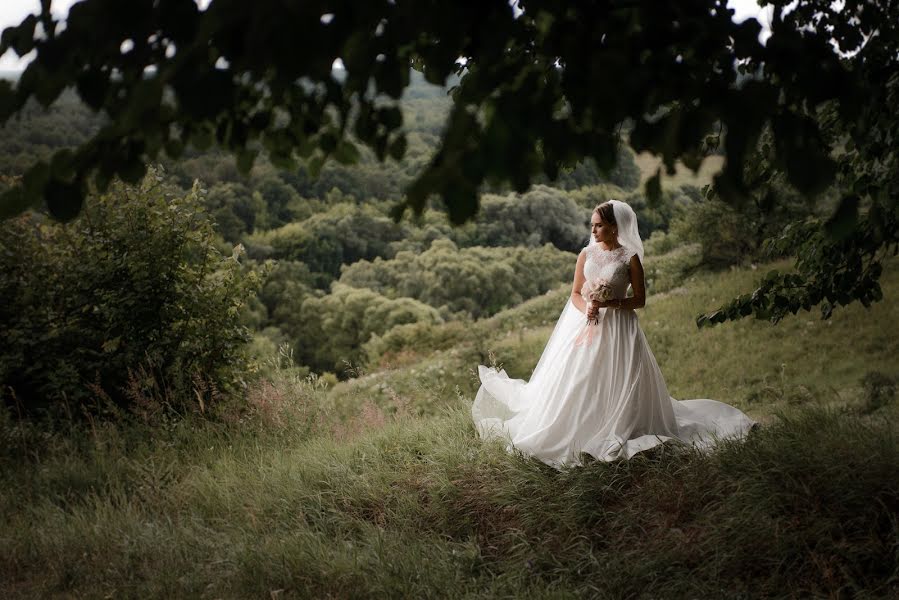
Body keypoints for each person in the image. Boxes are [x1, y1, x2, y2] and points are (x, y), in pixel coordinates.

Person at [472, 199, 756, 467]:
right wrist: (588, 309)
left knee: (620, 376)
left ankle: (622, 423)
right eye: (592, 225)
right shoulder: (586, 254)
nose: (593, 230)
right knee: (580, 377)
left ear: (615, 227)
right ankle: (580, 426)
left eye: (599, 225)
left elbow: (640, 300)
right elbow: (574, 293)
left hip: (621, 328)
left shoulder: (629, 258)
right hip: (587, 324)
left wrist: (611, 303)